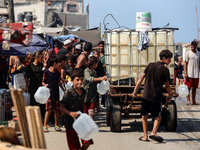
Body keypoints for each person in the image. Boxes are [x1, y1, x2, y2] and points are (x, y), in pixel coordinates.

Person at [132, 49, 172, 142]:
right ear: (164, 58)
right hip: (156, 96)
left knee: (144, 115)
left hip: (146, 94)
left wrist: (135, 90)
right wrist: (170, 94)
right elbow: (167, 86)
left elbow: (141, 77)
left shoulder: (150, 65)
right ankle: (153, 132)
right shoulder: (165, 70)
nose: (170, 61)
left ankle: (145, 136)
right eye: (169, 59)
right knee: (158, 116)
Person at [60, 68, 93, 150]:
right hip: (70, 123)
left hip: (81, 121)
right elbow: (61, 107)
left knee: (87, 143)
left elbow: (84, 105)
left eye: (81, 80)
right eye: (77, 80)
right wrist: (71, 113)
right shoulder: (68, 92)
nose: (80, 82)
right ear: (72, 80)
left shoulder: (84, 92)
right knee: (74, 147)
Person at [42, 56, 64, 132]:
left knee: (56, 110)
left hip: (56, 93)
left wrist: (64, 88)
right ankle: (44, 125)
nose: (59, 65)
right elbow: (43, 81)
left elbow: (60, 82)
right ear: (54, 63)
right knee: (48, 110)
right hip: (49, 94)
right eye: (58, 64)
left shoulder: (57, 73)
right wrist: (45, 85)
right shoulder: (46, 72)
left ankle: (56, 125)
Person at [25, 51, 45, 118]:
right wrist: (26, 86)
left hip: (40, 87)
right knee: (33, 102)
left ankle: (42, 118)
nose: (42, 60)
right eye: (41, 58)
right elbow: (26, 77)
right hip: (32, 86)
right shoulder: (30, 66)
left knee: (41, 103)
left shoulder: (42, 66)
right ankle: (33, 117)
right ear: (37, 58)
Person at [184, 40, 200, 105]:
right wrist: (185, 73)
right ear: (191, 45)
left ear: (196, 46)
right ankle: (188, 100)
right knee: (188, 88)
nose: (193, 46)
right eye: (192, 45)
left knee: (194, 88)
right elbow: (185, 63)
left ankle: (193, 101)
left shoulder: (199, 53)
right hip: (189, 74)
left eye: (194, 45)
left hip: (196, 74)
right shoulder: (188, 53)